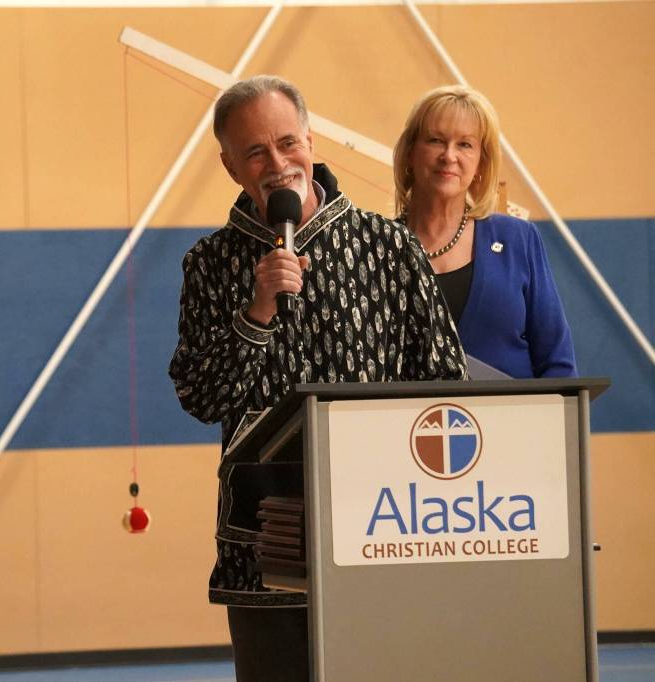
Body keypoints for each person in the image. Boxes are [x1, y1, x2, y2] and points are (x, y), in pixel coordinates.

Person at [168, 75, 467, 681]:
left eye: (287, 143)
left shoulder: (389, 247)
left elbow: (445, 382)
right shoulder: (208, 264)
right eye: (255, 152)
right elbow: (200, 396)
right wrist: (256, 313)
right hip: (264, 540)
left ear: (310, 141)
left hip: (384, 530)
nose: (278, 165)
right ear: (230, 166)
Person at [392, 84, 576, 378]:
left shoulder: (519, 240)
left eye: (465, 144)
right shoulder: (379, 247)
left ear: (481, 162)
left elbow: (558, 364)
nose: (449, 155)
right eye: (436, 140)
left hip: (516, 410)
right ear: (411, 152)